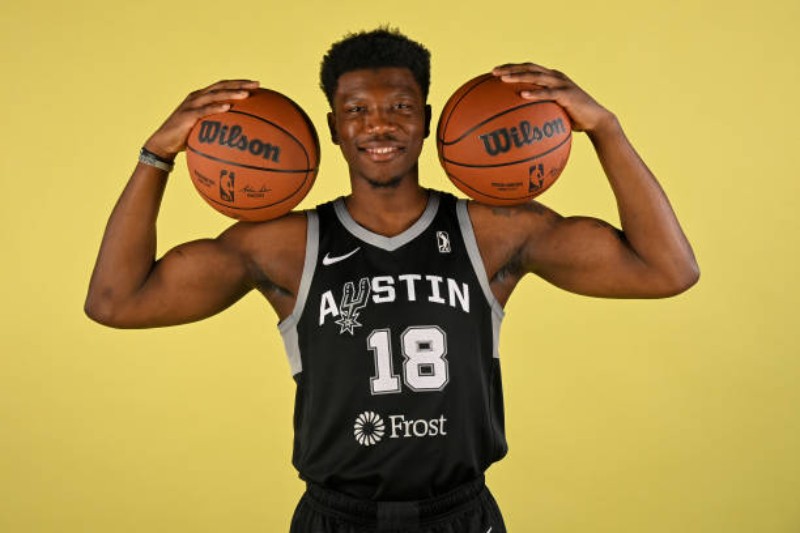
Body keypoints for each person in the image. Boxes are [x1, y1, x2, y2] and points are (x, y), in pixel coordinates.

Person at [85, 28, 698, 532]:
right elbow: (116, 301)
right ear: (333, 126)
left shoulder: (493, 231)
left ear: (427, 120)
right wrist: (156, 155)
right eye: (357, 110)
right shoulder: (284, 244)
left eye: (400, 107)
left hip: (459, 513)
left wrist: (606, 129)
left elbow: (667, 269)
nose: (379, 125)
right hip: (336, 516)